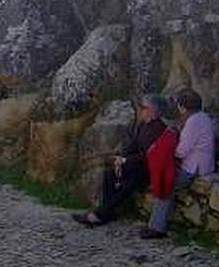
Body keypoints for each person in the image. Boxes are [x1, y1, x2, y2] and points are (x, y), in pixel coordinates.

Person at [72, 94, 169, 227]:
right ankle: (107, 214)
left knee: (127, 185)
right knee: (109, 175)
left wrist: (125, 160)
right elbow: (133, 145)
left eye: (144, 107)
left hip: (147, 169)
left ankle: (99, 215)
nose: (141, 110)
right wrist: (120, 158)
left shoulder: (160, 129)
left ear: (153, 110)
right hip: (134, 164)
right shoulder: (143, 125)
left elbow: (148, 155)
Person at [141, 88, 215, 239]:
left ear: (182, 107)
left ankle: (157, 228)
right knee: (166, 183)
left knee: (165, 186)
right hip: (203, 164)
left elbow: (181, 151)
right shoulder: (203, 117)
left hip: (194, 167)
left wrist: (164, 149)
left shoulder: (193, 122)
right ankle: (155, 224)